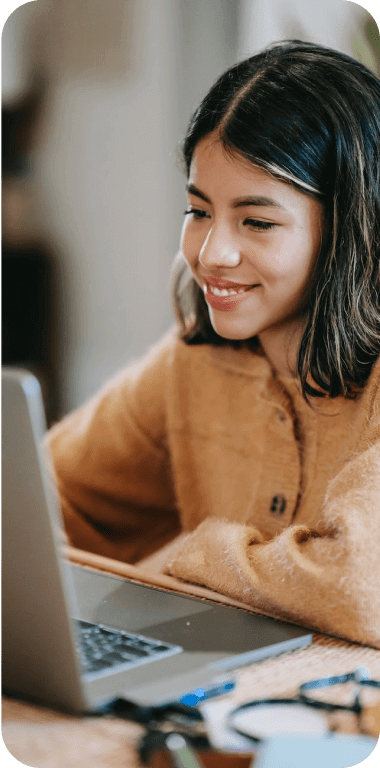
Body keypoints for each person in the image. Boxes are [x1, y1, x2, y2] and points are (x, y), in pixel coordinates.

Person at [45, 41, 380, 648]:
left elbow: (359, 588)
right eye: (198, 210)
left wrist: (194, 552)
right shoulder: (194, 361)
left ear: (347, 231)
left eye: (256, 221)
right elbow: (49, 491)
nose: (209, 253)